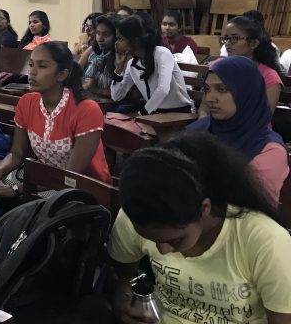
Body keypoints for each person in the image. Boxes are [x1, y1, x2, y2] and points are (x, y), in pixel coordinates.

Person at [109, 133, 291, 324]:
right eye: (152, 240)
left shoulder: (266, 241)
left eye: (175, 240)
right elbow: (124, 276)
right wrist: (124, 299)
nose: (163, 250)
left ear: (205, 209)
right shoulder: (138, 215)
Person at [0, 42, 112, 187]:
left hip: (81, 186)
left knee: (15, 194)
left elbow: (71, 176)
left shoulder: (87, 110)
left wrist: (19, 189)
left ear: (61, 74)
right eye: (31, 64)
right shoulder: (26, 102)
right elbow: (17, 154)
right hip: (45, 177)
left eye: (42, 66)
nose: (32, 72)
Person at [187, 56, 289, 203]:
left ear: (247, 92)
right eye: (207, 89)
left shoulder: (269, 150)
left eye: (222, 89)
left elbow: (248, 206)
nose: (210, 98)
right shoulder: (199, 130)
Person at [111, 15, 193, 115]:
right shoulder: (132, 65)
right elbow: (116, 96)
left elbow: (163, 89)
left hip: (179, 112)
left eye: (120, 39)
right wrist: (118, 70)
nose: (116, 43)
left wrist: (142, 113)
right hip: (154, 113)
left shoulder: (162, 54)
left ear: (135, 41)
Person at [212, 15, 283, 113]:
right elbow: (204, 107)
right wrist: (203, 119)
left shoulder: (268, 76)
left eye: (235, 38)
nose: (227, 43)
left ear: (253, 43)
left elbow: (263, 116)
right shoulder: (218, 66)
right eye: (226, 38)